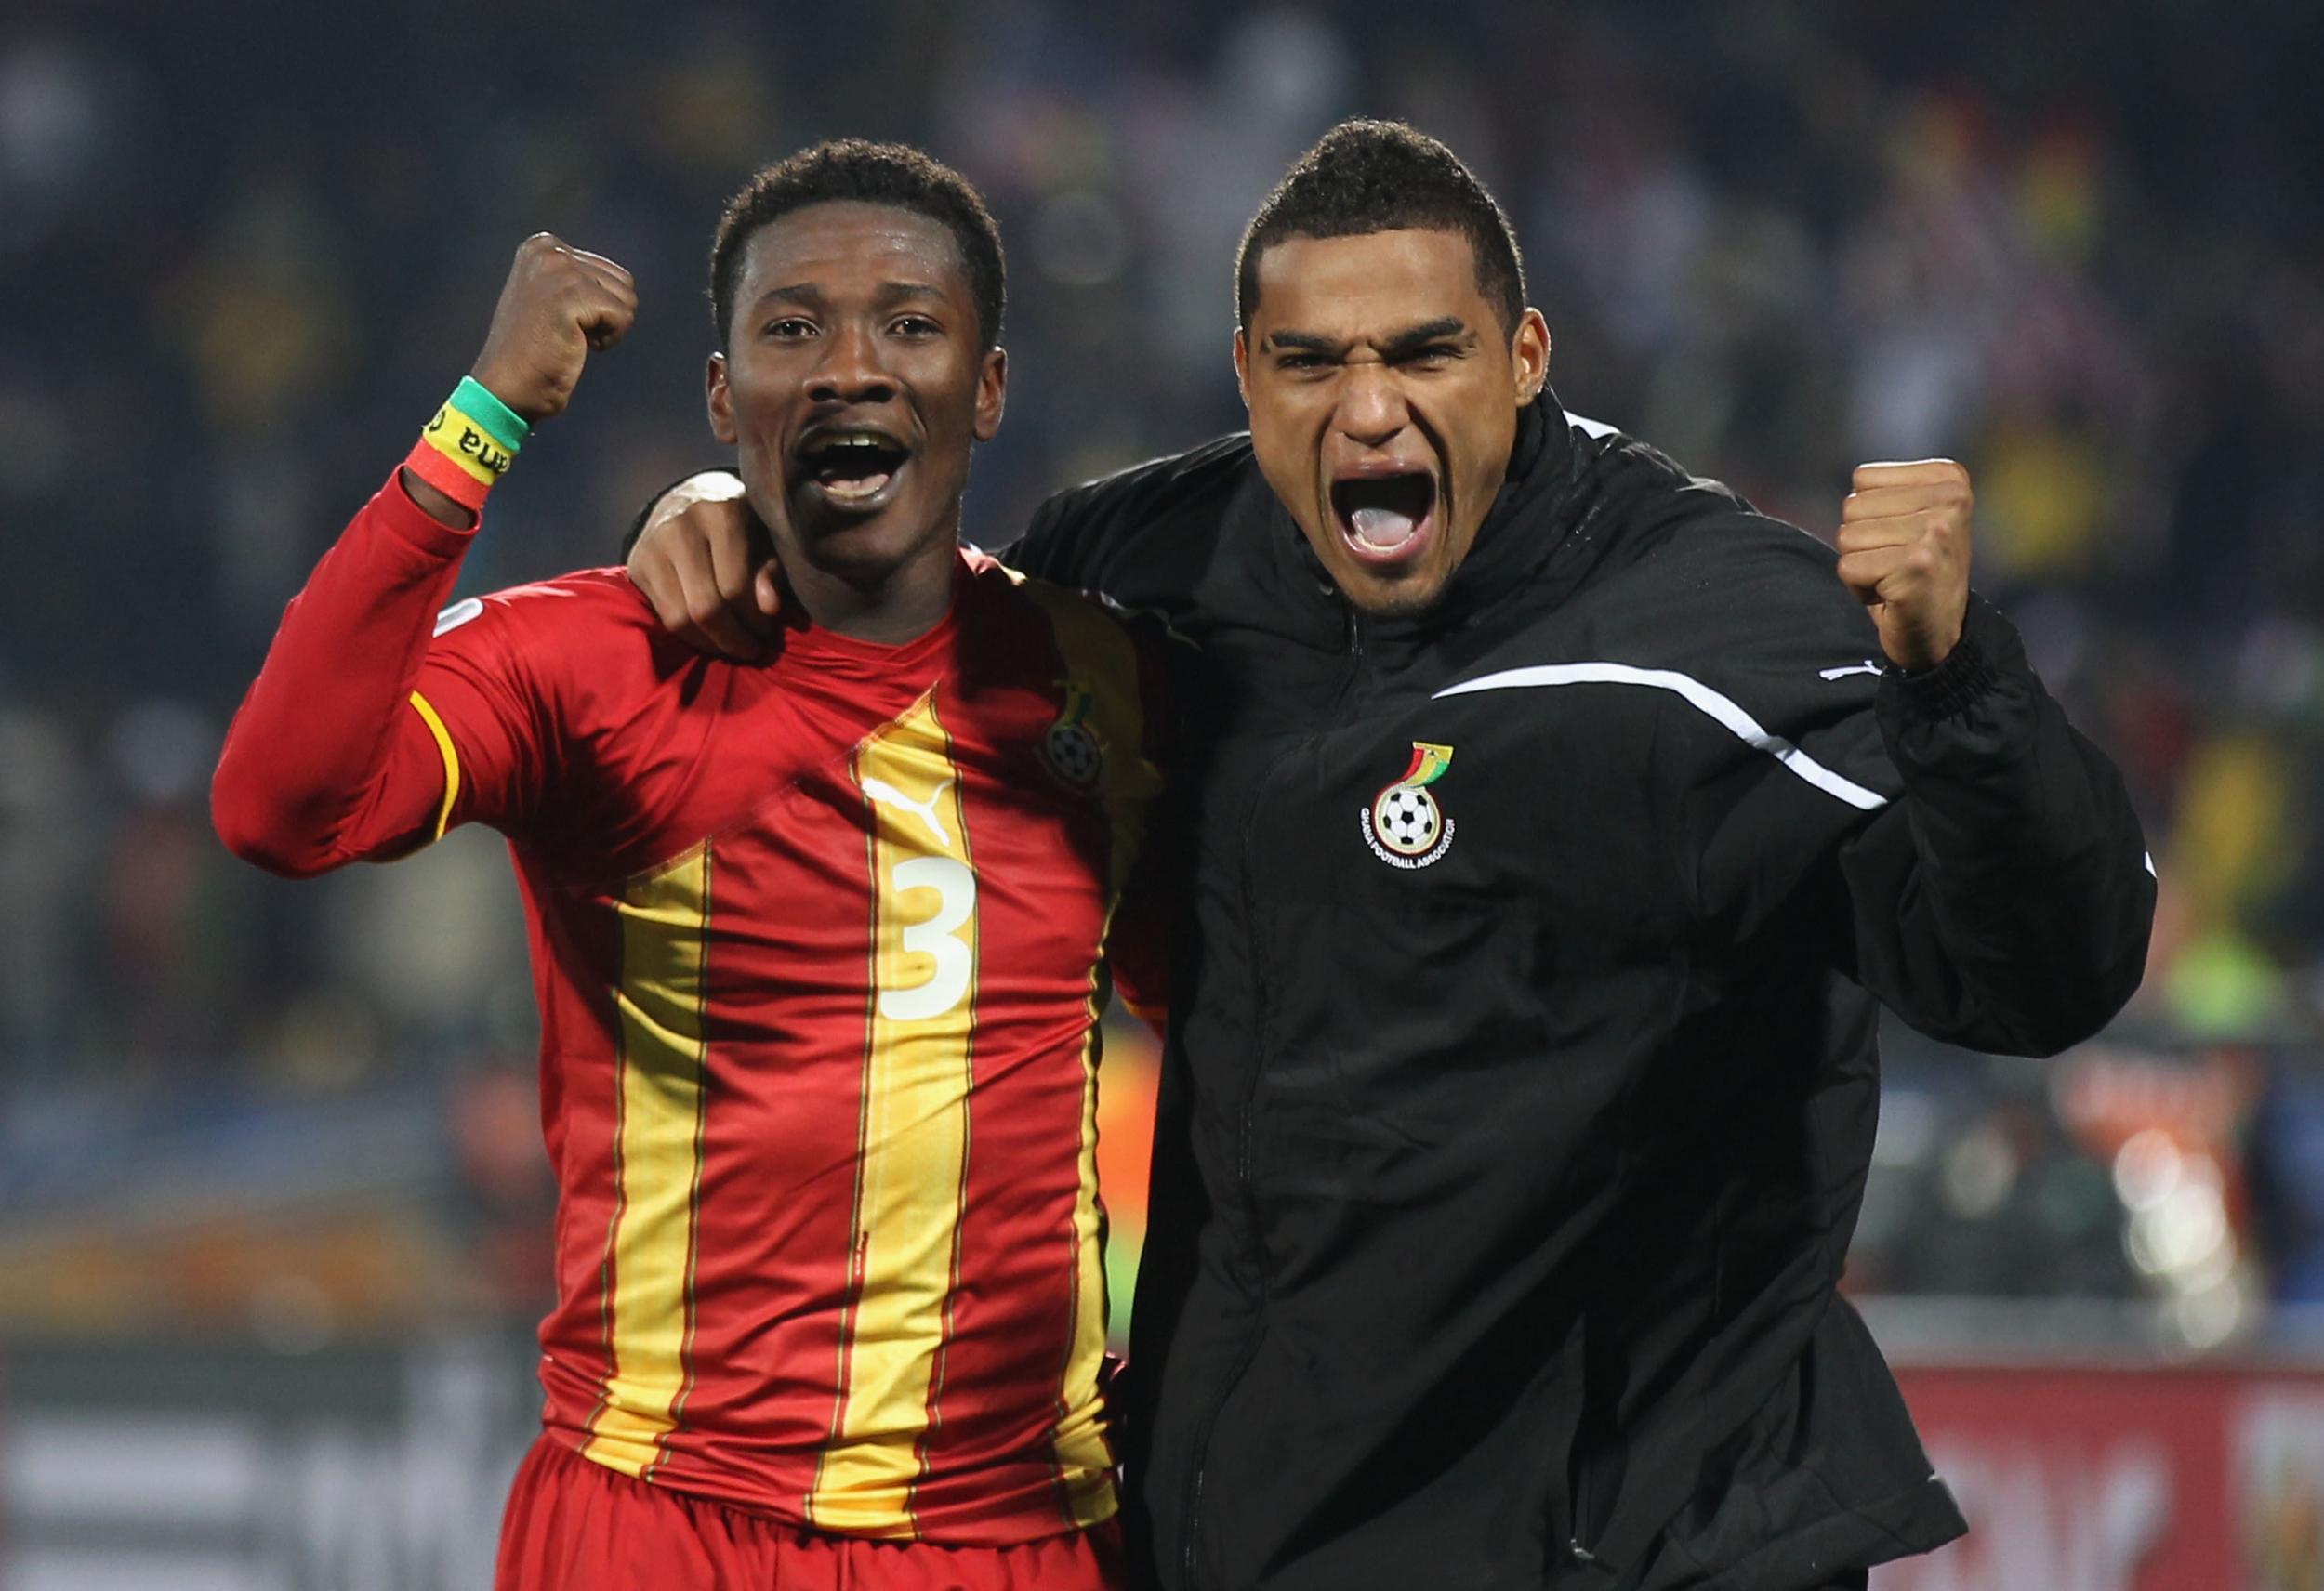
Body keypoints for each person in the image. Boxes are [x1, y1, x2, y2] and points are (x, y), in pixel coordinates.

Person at [624, 122, 2157, 1591]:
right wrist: (729, 512)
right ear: (1247, 374)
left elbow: (2043, 977)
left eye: (1426, 352)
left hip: (1634, 1546)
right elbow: (892, 629)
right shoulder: (1141, 570)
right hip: (1272, 1535)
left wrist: (1960, 686)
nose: (1368, 411)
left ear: (1525, 359)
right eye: (1312, 362)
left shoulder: (1711, 637)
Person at [212, 141, 1175, 1591]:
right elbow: (282, 804)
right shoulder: (595, 663)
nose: (852, 365)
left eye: (909, 325)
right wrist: (477, 423)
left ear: (988, 386)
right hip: (669, 1523)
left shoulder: (1107, 685)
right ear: (724, 397)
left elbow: (1243, 1010)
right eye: (793, 329)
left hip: (1015, 1534)